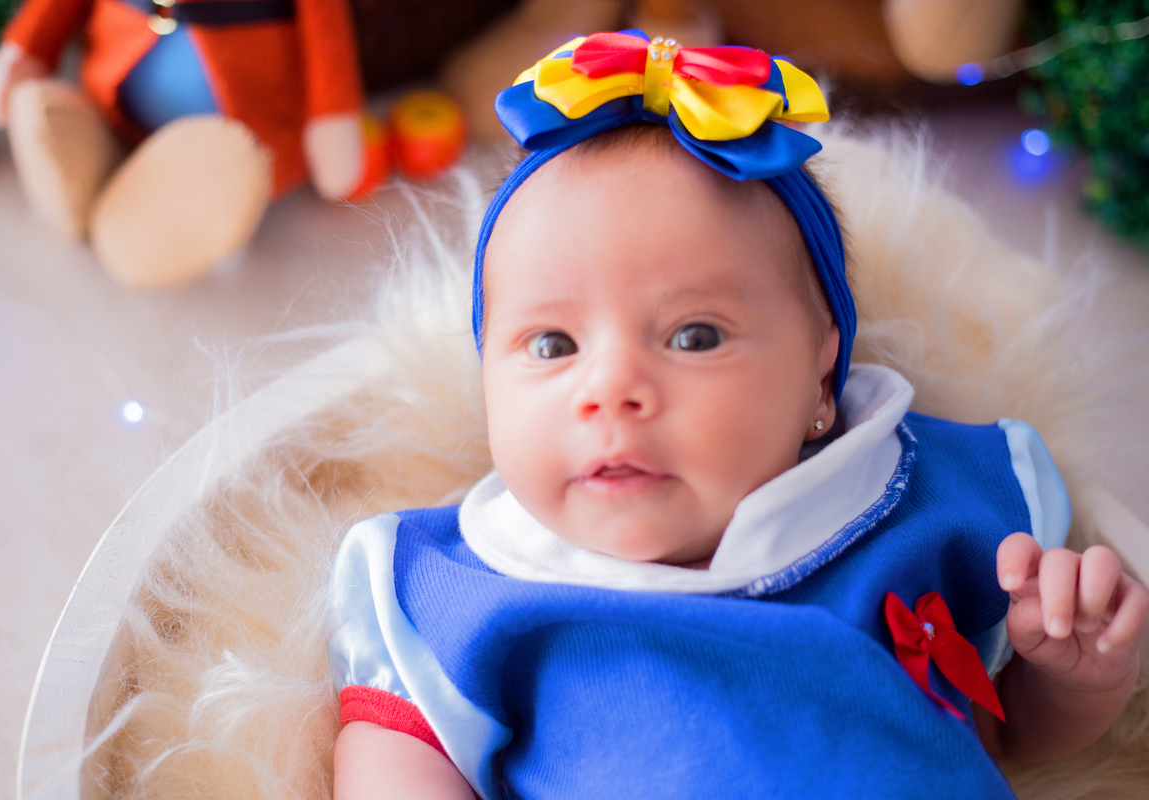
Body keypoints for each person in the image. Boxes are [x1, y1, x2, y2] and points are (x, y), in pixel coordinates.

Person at [326, 31, 1149, 799]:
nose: (611, 390)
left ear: (822, 373)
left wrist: (1074, 675)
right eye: (550, 346)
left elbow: (1005, 742)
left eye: (694, 335)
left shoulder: (921, 504)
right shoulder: (461, 586)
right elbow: (389, 762)